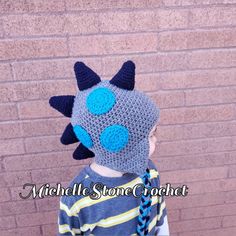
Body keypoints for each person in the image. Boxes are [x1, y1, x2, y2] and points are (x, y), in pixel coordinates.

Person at [49, 60, 170, 235]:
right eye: (150, 135)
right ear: (123, 146)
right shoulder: (77, 198)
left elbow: (161, 222)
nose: (156, 139)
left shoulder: (150, 172)